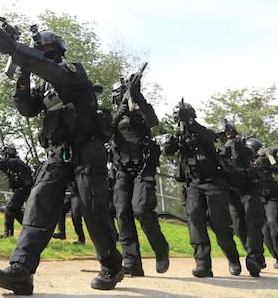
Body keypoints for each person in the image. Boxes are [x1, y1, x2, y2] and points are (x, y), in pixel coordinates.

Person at [0, 21, 123, 294]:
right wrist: (23, 70)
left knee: (92, 209)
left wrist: (15, 49)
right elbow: (26, 108)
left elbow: (52, 70)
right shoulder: (43, 85)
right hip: (58, 152)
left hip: (88, 149)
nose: (44, 52)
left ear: (59, 50)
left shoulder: (73, 71)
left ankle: (112, 265)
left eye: (48, 48)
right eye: (39, 49)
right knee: (39, 204)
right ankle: (21, 271)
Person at [163, 99, 240, 278]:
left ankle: (233, 257)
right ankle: (203, 264)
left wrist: (191, 124)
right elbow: (167, 150)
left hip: (214, 183)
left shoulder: (202, 131)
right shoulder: (179, 134)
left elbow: (209, 137)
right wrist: (176, 136)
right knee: (195, 219)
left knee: (219, 223)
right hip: (193, 184)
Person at [110, 76, 169, 276]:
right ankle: (131, 261)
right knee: (122, 213)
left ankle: (160, 249)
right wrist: (120, 113)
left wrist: (137, 95)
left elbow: (153, 120)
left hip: (143, 168)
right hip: (121, 170)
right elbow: (105, 130)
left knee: (142, 209)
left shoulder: (141, 113)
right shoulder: (114, 116)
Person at [216, 120, 265, 277]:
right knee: (239, 228)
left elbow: (246, 156)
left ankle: (254, 259)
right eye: (223, 134)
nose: (227, 136)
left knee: (253, 225)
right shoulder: (221, 152)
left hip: (250, 191)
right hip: (233, 194)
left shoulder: (243, 146)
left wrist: (237, 145)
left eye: (229, 132)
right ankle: (254, 256)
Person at [246, 138, 278, 270]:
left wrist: (272, 156)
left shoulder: (267, 159)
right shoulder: (245, 161)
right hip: (255, 200)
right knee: (264, 231)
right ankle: (276, 257)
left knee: (273, 223)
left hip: (270, 198)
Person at [0, 146, 33, 239]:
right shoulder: (16, 162)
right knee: (16, 211)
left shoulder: (14, 162)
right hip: (23, 189)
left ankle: (8, 234)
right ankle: (30, 231)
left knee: (9, 209)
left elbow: (1, 164)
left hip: (22, 189)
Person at [52, 180, 86, 245]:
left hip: (80, 193)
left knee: (75, 216)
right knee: (61, 208)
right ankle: (61, 232)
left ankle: (81, 239)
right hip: (73, 192)